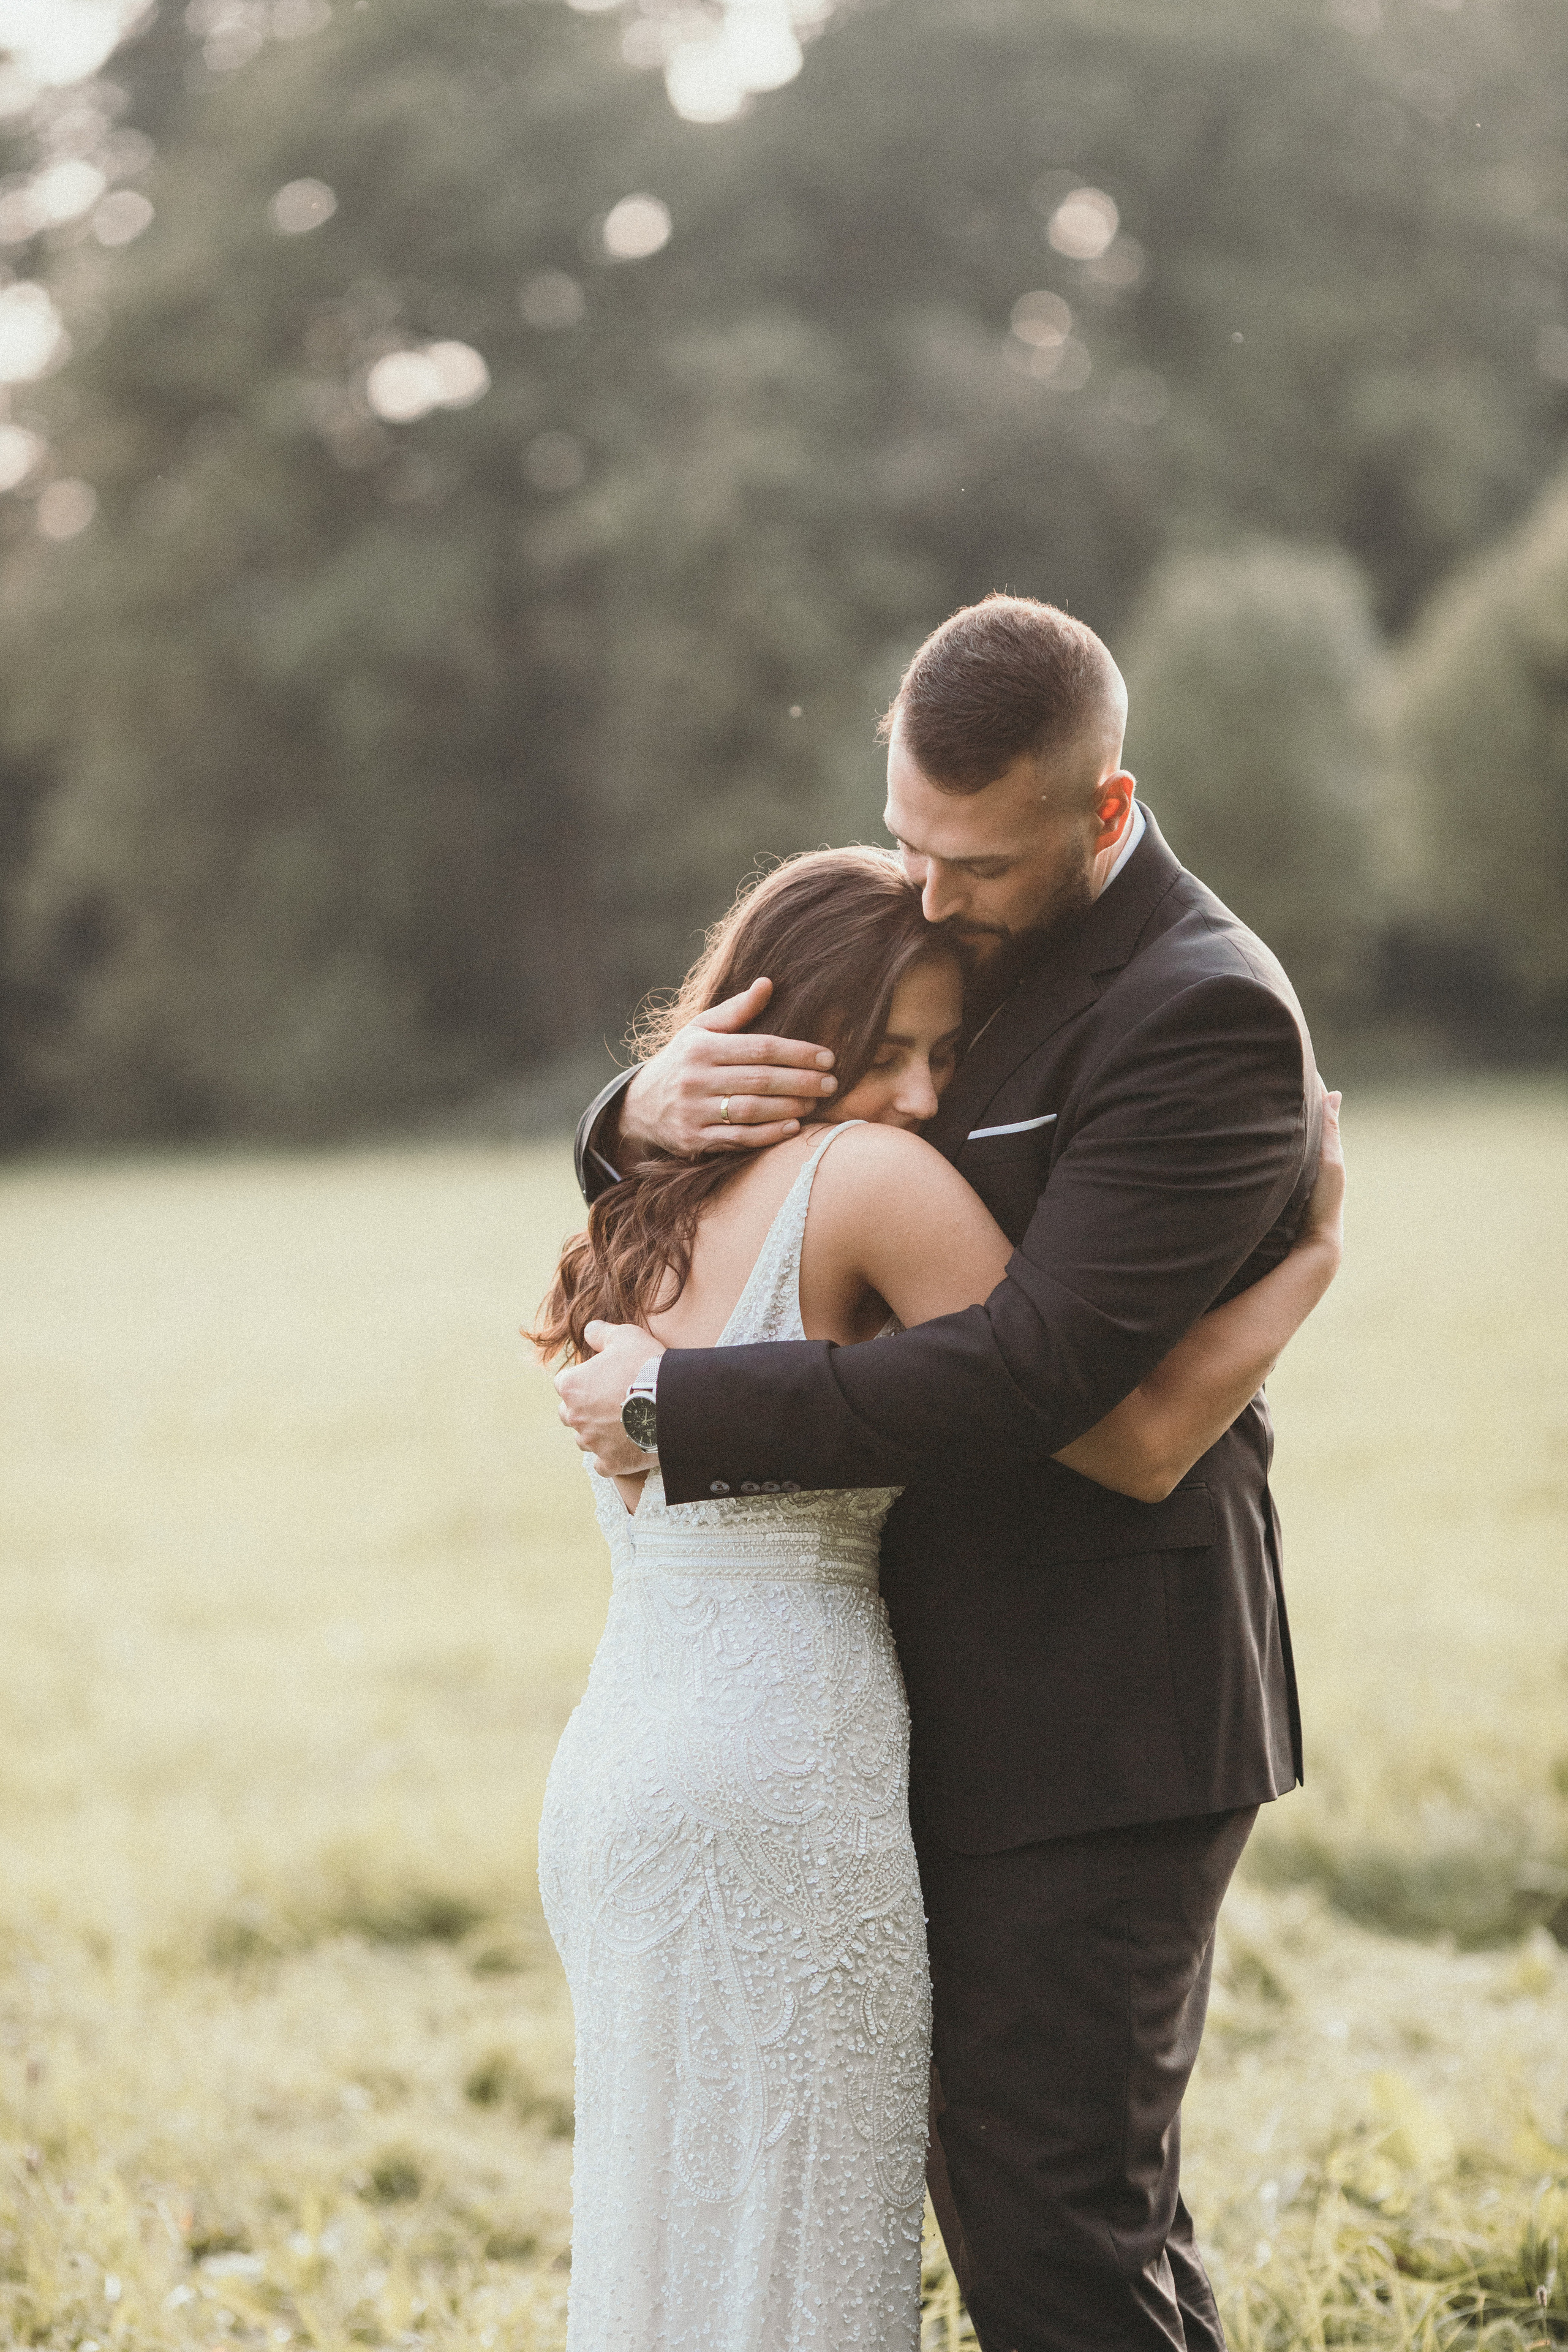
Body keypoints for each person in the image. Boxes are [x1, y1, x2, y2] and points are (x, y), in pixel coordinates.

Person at [555, 594, 1331, 2352]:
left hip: (1098, 1710)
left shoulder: (1201, 1018)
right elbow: (748, 1179)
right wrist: (633, 1116)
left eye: (971, 865)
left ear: (1106, 812)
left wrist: (692, 1415)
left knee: (1056, 2230)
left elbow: (1052, 1375)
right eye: (907, 839)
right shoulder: (939, 940)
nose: (927, 895)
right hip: (897, 1701)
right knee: (1030, 2208)